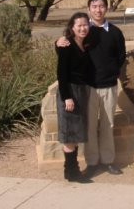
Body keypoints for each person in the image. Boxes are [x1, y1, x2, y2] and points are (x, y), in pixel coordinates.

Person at [56, 0, 126, 176]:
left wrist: (111, 73)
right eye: (94, 6)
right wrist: (57, 42)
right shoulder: (84, 31)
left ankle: (108, 160)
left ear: (107, 8)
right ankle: (92, 162)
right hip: (89, 88)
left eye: (101, 6)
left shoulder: (116, 33)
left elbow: (120, 58)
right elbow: (68, 45)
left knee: (107, 125)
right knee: (90, 127)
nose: (98, 10)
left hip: (109, 86)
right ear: (89, 9)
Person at [56, 12, 92, 183]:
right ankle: (72, 172)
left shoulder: (85, 44)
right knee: (69, 133)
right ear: (72, 27)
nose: (83, 28)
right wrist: (66, 97)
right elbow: (61, 74)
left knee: (76, 133)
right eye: (79, 25)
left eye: (85, 25)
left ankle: (70, 171)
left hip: (80, 91)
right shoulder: (66, 45)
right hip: (69, 91)